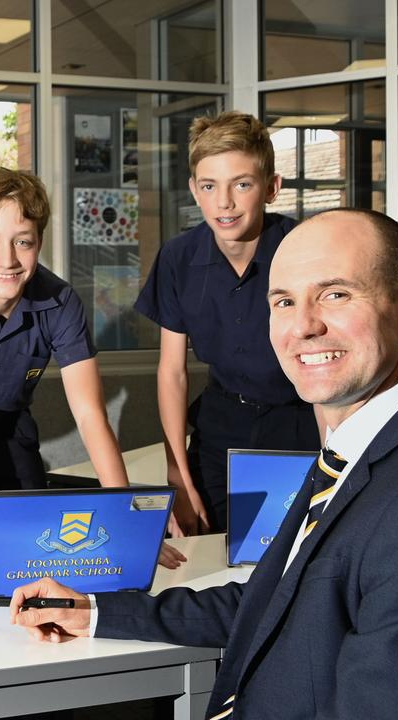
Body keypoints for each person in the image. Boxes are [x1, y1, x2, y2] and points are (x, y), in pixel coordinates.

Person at [11, 208, 398, 718]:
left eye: (335, 294)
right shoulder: (356, 453)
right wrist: (91, 610)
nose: (304, 325)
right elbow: (280, 600)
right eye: (284, 301)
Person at [0, 167, 186, 580]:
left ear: (38, 243)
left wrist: (127, 521)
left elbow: (89, 415)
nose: (7, 260)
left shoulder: (60, 302)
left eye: (22, 242)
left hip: (9, 432)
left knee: (32, 560)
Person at [136, 111, 319, 536]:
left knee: (291, 555)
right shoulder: (178, 258)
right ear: (193, 191)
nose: (225, 203)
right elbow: (173, 371)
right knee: (208, 547)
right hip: (220, 427)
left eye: (242, 184)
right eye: (209, 186)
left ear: (271, 188)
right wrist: (176, 471)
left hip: (300, 423)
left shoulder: (306, 250)